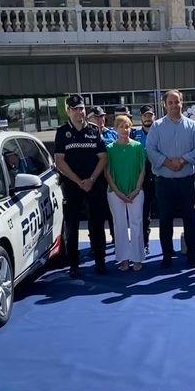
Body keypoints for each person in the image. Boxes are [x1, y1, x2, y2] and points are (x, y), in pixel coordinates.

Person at [145, 89, 195, 268]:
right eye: (170, 102)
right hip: (164, 181)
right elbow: (150, 149)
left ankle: (192, 255)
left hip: (187, 180)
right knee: (165, 219)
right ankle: (167, 256)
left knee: (189, 218)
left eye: (176, 102)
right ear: (165, 105)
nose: (173, 105)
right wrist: (166, 162)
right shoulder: (156, 126)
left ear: (182, 103)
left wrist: (183, 160)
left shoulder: (193, 126)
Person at [54, 94, 109, 277]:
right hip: (72, 186)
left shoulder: (94, 130)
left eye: (82, 109)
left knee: (97, 224)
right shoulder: (62, 132)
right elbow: (59, 161)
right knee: (72, 226)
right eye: (75, 109)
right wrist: (78, 181)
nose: (79, 112)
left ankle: (100, 262)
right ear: (68, 111)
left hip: (94, 185)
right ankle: (74, 265)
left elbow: (103, 157)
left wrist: (92, 179)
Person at [105, 114, 146, 271]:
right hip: (115, 193)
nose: (124, 129)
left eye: (127, 126)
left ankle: (137, 258)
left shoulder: (137, 147)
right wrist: (118, 192)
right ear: (115, 129)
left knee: (137, 223)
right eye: (121, 126)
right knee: (120, 225)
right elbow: (107, 173)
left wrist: (136, 189)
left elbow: (142, 169)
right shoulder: (109, 149)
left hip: (136, 191)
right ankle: (123, 259)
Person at [87, 105, 116, 243]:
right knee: (95, 215)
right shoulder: (86, 135)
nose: (100, 119)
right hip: (95, 180)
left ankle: (117, 240)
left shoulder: (112, 134)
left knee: (113, 213)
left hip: (112, 179)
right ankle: (96, 244)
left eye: (102, 116)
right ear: (89, 119)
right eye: (96, 117)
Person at [132, 104, 157, 256]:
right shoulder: (134, 135)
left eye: (150, 115)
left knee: (167, 212)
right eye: (145, 116)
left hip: (160, 173)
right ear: (140, 118)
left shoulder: (160, 131)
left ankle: (169, 248)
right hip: (142, 175)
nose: (148, 118)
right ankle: (144, 243)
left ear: (154, 116)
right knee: (143, 212)